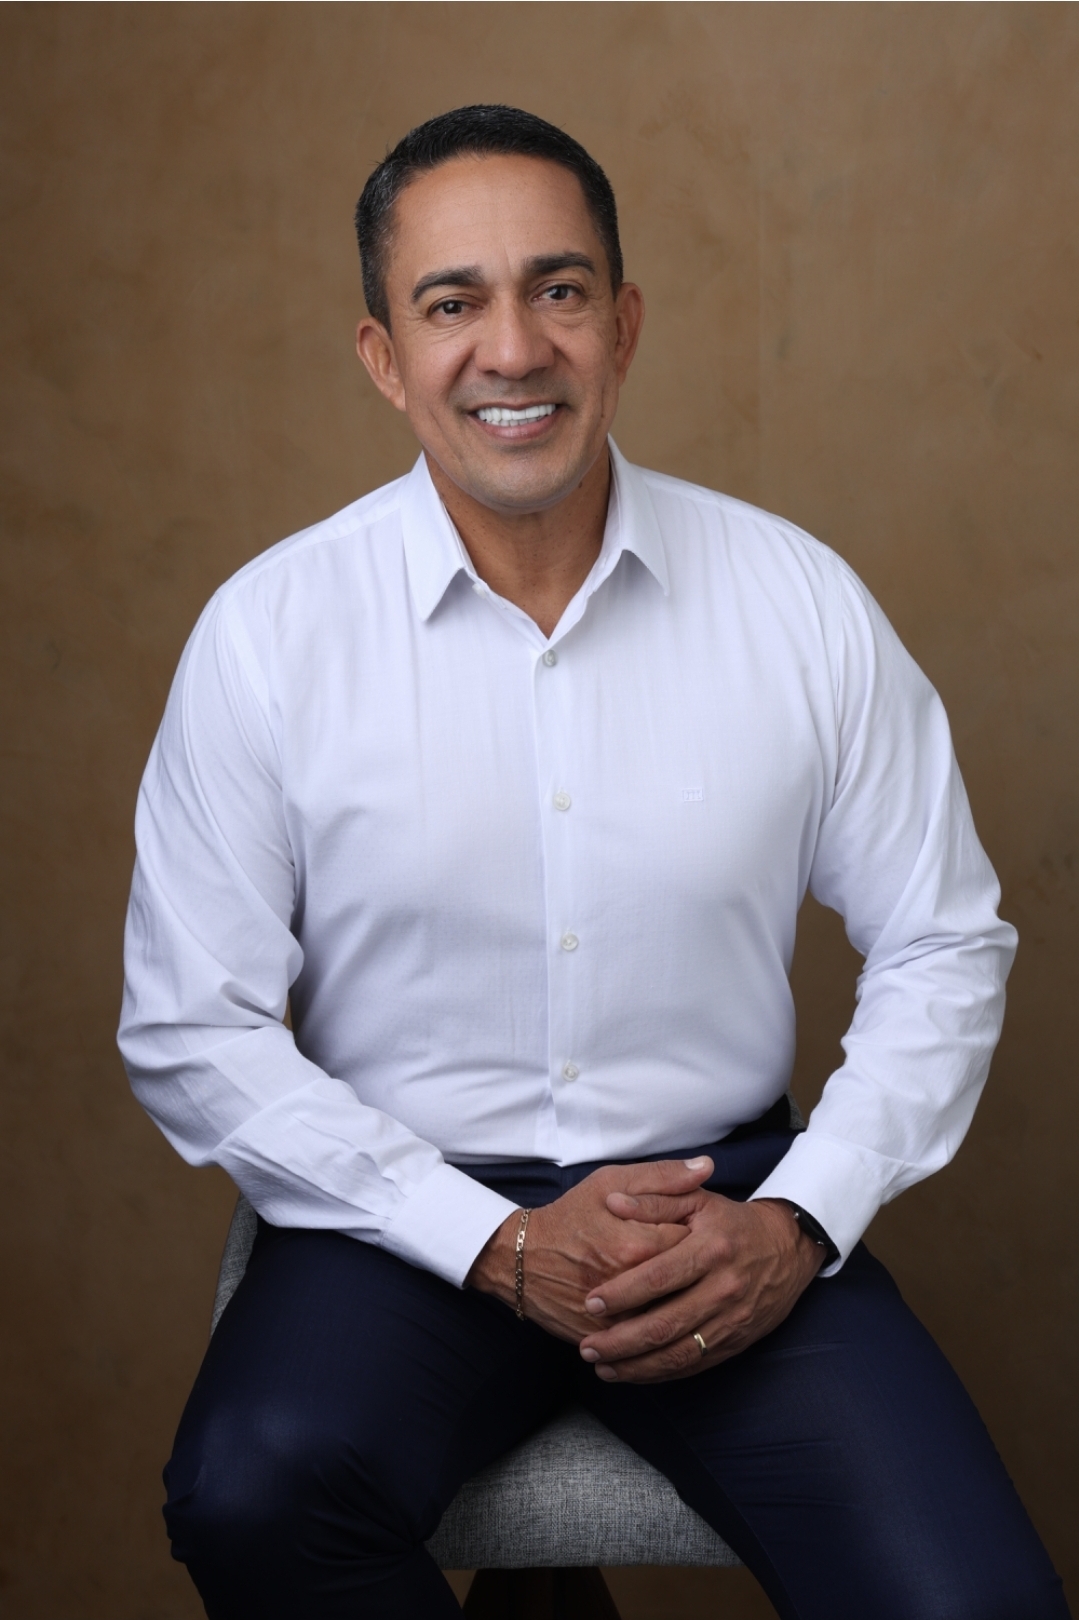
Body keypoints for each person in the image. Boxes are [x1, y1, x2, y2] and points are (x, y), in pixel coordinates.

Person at [118, 105, 1069, 1619]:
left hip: (729, 1212)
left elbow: (944, 941)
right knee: (252, 1493)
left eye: (557, 290)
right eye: (453, 304)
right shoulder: (269, 635)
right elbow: (192, 1026)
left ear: (621, 327)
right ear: (383, 356)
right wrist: (492, 1242)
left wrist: (804, 1214)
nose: (514, 350)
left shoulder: (797, 602)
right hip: (401, 1223)